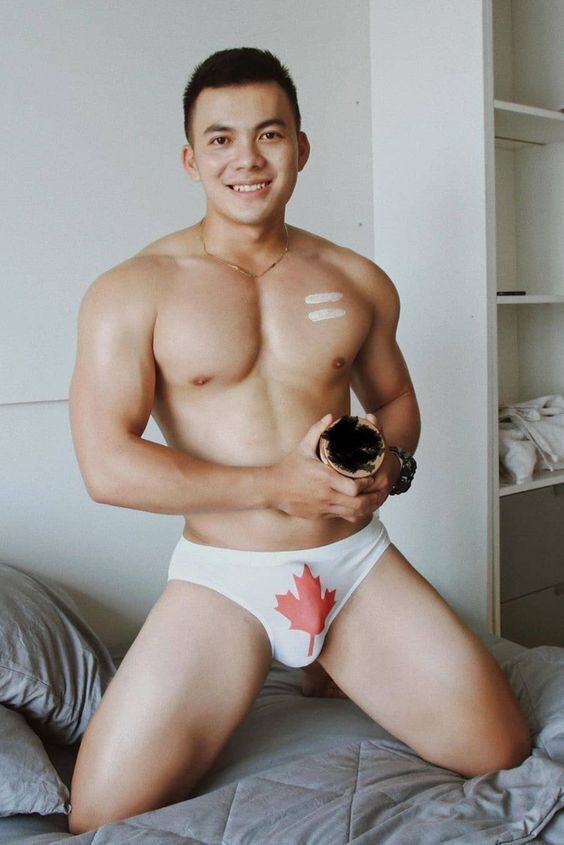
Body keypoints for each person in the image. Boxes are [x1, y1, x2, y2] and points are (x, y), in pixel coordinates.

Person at [67, 47, 530, 833]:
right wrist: (274, 484)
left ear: (302, 147)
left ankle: (330, 661)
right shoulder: (132, 291)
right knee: (99, 814)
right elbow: (106, 466)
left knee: (503, 747)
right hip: (223, 578)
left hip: (352, 563)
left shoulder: (355, 279)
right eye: (221, 139)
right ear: (191, 159)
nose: (247, 158)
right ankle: (315, 663)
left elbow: (394, 401)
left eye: (270, 134)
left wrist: (388, 463)